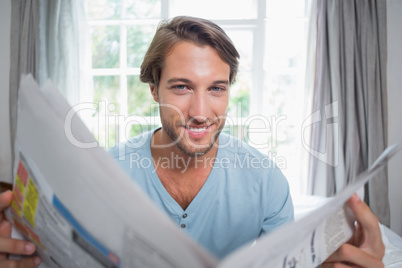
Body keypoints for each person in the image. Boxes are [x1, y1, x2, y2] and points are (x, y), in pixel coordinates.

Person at [0, 16, 385, 267]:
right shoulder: (105, 174)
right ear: (153, 90)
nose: (201, 111)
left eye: (216, 88)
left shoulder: (265, 181)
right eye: (182, 87)